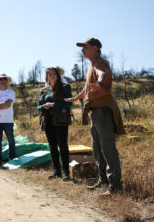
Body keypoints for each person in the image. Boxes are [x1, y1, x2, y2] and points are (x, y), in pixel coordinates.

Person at [65, 38, 124, 195]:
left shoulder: (99, 62)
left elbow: (102, 74)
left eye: (86, 47)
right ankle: (103, 180)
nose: (82, 50)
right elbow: (86, 89)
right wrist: (75, 99)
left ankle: (115, 185)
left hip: (103, 111)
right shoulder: (91, 64)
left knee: (108, 149)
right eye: (82, 47)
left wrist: (99, 83)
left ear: (96, 48)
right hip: (95, 113)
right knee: (97, 150)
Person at [37, 67, 73, 181]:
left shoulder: (65, 87)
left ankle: (66, 173)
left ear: (57, 75)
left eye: (54, 74)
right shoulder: (43, 90)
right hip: (48, 120)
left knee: (63, 146)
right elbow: (38, 107)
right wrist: (43, 106)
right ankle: (56, 171)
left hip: (61, 120)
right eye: (50, 74)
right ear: (47, 76)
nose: (52, 76)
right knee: (52, 147)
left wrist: (53, 105)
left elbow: (68, 104)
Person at [0, 74, 16, 166]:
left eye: (4, 79)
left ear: (7, 81)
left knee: (11, 140)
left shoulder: (11, 92)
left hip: (8, 120)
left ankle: (12, 158)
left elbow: (7, 105)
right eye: (0, 79)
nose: (3, 80)